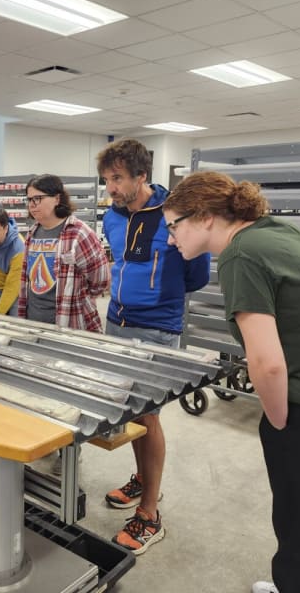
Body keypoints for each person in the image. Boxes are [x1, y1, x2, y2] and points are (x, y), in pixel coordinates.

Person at [164, 171, 300, 593]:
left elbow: (268, 364)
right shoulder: (274, 229)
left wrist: (279, 422)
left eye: (173, 226)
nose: (171, 239)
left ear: (205, 216)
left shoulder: (240, 256)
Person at [96, 138, 210, 555]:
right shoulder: (112, 216)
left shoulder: (173, 215)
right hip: (117, 322)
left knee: (149, 417)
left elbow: (196, 274)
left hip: (157, 327)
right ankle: (143, 479)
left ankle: (149, 514)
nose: (110, 187)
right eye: (107, 179)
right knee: (130, 412)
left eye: (118, 178)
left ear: (141, 176)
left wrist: (157, 296)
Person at [18, 173, 109, 331]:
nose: (32, 205)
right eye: (29, 199)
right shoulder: (32, 233)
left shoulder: (79, 234)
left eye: (37, 198)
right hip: (33, 322)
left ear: (57, 199)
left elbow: (100, 281)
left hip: (69, 322)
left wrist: (79, 297)